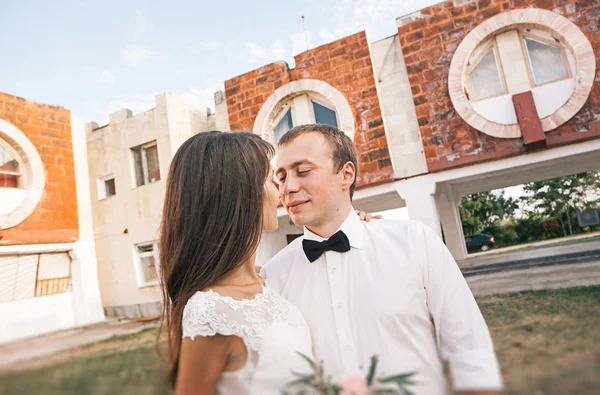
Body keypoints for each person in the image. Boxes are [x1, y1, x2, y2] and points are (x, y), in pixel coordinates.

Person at [261, 124, 504, 395]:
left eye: (303, 171)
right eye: (281, 177)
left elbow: (470, 349)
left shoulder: (415, 241)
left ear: (346, 174)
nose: (289, 187)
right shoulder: (273, 276)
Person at [158, 131, 314, 394]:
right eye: (270, 178)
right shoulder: (211, 310)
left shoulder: (272, 277)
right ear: (240, 195)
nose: (281, 188)